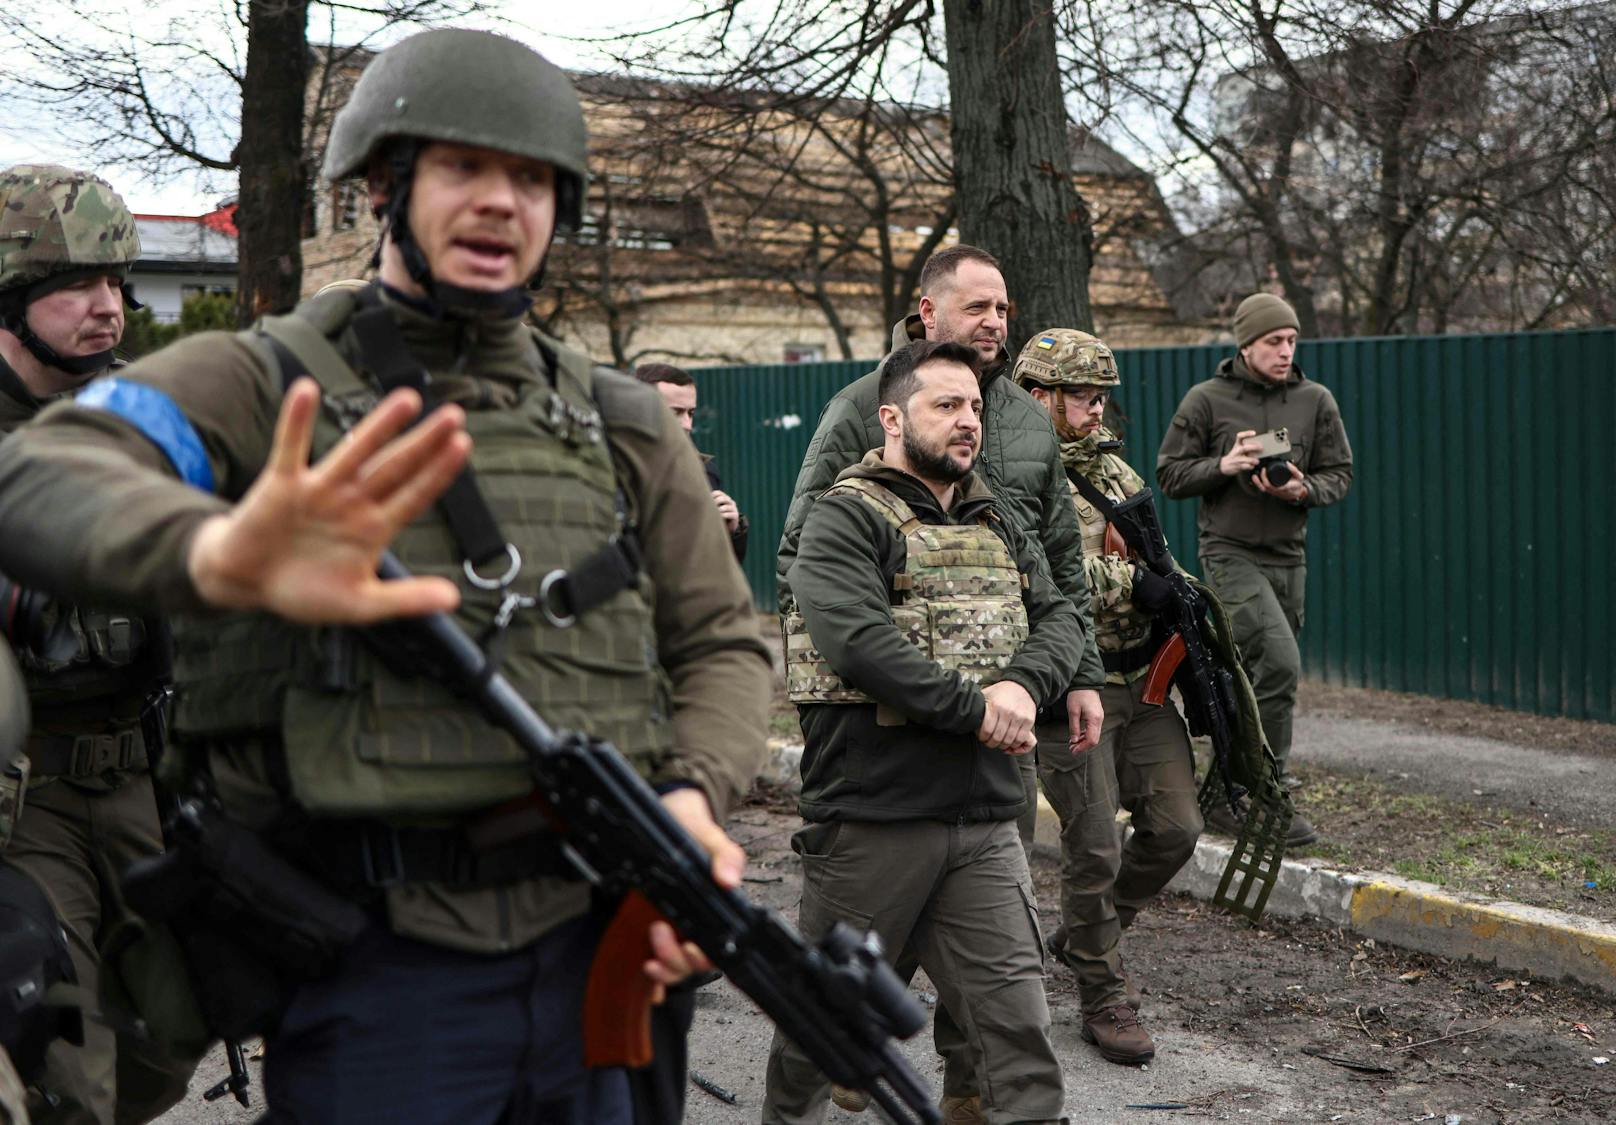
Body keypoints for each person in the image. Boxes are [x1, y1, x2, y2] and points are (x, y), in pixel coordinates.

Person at [0, 29, 771, 1124]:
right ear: (380, 188)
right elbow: (43, 472)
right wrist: (214, 549)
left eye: (533, 178)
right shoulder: (261, 378)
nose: (502, 202)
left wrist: (692, 792)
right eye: (463, 168)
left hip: (600, 941)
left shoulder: (622, 420)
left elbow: (720, 642)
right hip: (378, 967)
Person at [766, 339, 1079, 1125]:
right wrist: (982, 710)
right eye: (947, 404)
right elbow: (859, 644)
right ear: (893, 418)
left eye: (974, 405)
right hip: (873, 815)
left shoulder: (994, 515)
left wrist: (1020, 683)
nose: (967, 420)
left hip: (983, 821)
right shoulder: (843, 518)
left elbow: (1061, 618)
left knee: (1018, 1032)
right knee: (820, 1028)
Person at [0, 163, 197, 1125]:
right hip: (22, 792)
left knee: (168, 1042)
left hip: (144, 776)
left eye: (118, 282)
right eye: (77, 284)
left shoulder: (144, 419)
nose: (108, 308)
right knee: (63, 1063)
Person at [1013, 328, 1202, 1065]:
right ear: (1040, 398)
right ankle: (1103, 994)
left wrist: (1179, 593)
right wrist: (1129, 582)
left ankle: (1086, 936)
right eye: (1085, 397)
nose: (1098, 409)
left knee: (1178, 827)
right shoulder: (1014, 476)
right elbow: (1039, 574)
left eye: (1100, 397)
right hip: (1069, 685)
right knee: (1091, 845)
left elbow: (1159, 556)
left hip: (1141, 679)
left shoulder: (1117, 471)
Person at [1156, 294, 1353, 843]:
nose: (1286, 351)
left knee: (1264, 679)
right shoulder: (1207, 400)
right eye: (1274, 342)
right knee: (1281, 663)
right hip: (1229, 552)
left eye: (1291, 341)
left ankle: (1227, 791)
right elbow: (1169, 474)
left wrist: (1302, 488)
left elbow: (1340, 473)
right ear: (1246, 345)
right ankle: (1268, 790)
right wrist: (1225, 464)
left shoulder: (1315, 400)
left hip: (1288, 556)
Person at [634, 363, 748, 562]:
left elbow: (719, 569)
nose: (687, 424)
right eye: (675, 412)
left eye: (691, 413)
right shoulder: (612, 469)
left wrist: (732, 531)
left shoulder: (704, 471)